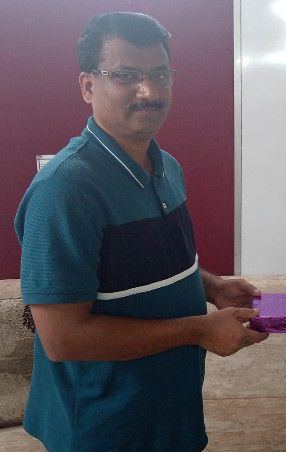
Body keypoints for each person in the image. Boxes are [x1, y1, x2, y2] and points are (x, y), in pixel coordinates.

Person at [14, 11, 268, 452]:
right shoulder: (65, 190)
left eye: (160, 75)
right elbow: (62, 338)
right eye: (126, 75)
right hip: (103, 427)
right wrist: (198, 330)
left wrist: (212, 287)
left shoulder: (167, 166)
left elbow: (151, 265)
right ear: (88, 86)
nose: (149, 91)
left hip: (170, 411)